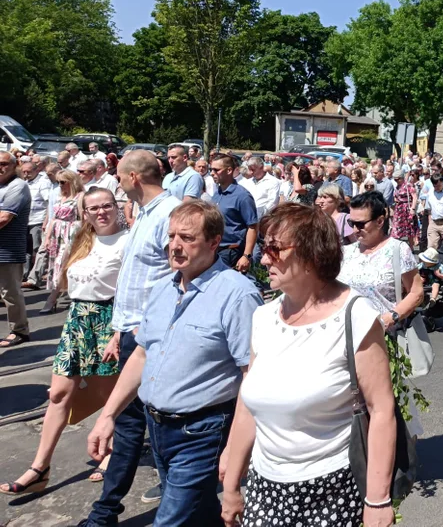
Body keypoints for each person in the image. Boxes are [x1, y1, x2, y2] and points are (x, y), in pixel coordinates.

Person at [219, 203, 396, 527]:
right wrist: (231, 484)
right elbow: (247, 403)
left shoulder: (355, 315)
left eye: (274, 249)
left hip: (332, 491)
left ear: (313, 254)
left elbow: (382, 409)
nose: (263, 258)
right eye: (262, 247)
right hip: (264, 489)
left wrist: (378, 499)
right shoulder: (263, 318)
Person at [86, 201, 262, 524]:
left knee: (169, 520)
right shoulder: (163, 289)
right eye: (171, 236)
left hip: (202, 431)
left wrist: (236, 453)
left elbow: (252, 377)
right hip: (158, 429)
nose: (175, 246)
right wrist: (107, 415)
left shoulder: (237, 295)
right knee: (200, 516)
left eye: (187, 237)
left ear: (214, 242)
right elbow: (141, 355)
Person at [76, 149, 182, 524]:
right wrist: (119, 331)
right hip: (133, 333)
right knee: (132, 423)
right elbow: (136, 280)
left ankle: (172, 507)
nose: (116, 183)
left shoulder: (170, 215)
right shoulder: (146, 214)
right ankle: (108, 512)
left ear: (134, 177)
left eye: (119, 176)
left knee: (147, 422)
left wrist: (144, 327)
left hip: (151, 336)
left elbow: (177, 276)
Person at [0, 188, 128, 495]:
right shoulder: (82, 240)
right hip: (77, 320)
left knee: (109, 395)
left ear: (116, 207)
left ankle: (112, 452)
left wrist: (120, 332)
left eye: (106, 205)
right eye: (93, 208)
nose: (101, 212)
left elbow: (134, 291)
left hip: (108, 319)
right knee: (58, 394)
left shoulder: (129, 241)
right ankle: (40, 466)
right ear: (85, 213)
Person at [339, 190, 425, 435]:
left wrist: (391, 317)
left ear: (380, 220)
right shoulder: (347, 253)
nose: (355, 229)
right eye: (351, 223)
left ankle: (396, 458)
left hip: (383, 340)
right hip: (347, 341)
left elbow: (416, 292)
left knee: (385, 404)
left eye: (360, 223)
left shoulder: (398, 251)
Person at [40, 169, 85, 315]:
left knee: (62, 264)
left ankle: (52, 298)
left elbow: (82, 219)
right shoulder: (60, 196)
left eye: (62, 182)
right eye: (58, 182)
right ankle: (66, 294)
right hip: (56, 234)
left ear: (71, 182)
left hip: (71, 234)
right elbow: (53, 218)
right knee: (55, 265)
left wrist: (79, 236)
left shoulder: (80, 196)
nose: (59, 185)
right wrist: (47, 238)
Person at [0, 152, 32, 347]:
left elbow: (4, 218)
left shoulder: (17, 186)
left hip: (8, 250)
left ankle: (19, 330)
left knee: (10, 292)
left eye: (3, 164)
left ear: (14, 165)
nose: (0, 167)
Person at [210, 155, 259, 271]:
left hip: (231, 251)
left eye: (216, 170)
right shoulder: (217, 193)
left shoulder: (242, 196)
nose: (212, 173)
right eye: (211, 169)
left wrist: (246, 255)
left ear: (229, 170)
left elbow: (253, 226)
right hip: (215, 249)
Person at [20, 160, 51, 290]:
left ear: (36, 170)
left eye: (28, 171)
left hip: (37, 221)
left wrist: (46, 221)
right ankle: (24, 276)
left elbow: (49, 201)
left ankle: (36, 278)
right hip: (24, 221)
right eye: (24, 172)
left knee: (37, 250)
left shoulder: (42, 183)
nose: (26, 174)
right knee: (25, 250)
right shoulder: (23, 183)